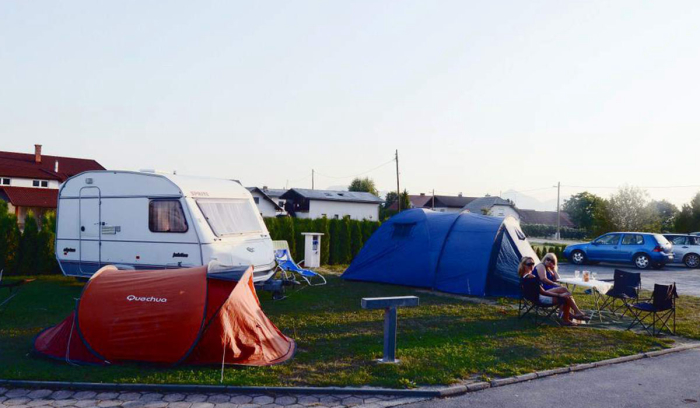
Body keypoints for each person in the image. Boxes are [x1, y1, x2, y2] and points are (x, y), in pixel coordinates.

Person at [518, 256, 589, 325]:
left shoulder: (523, 276)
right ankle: (568, 318)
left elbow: (554, 281)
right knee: (566, 296)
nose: (532, 266)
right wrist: (559, 295)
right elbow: (543, 292)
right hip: (540, 298)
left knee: (563, 290)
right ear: (524, 265)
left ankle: (572, 314)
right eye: (529, 264)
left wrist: (553, 270)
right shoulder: (532, 277)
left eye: (533, 264)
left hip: (535, 297)